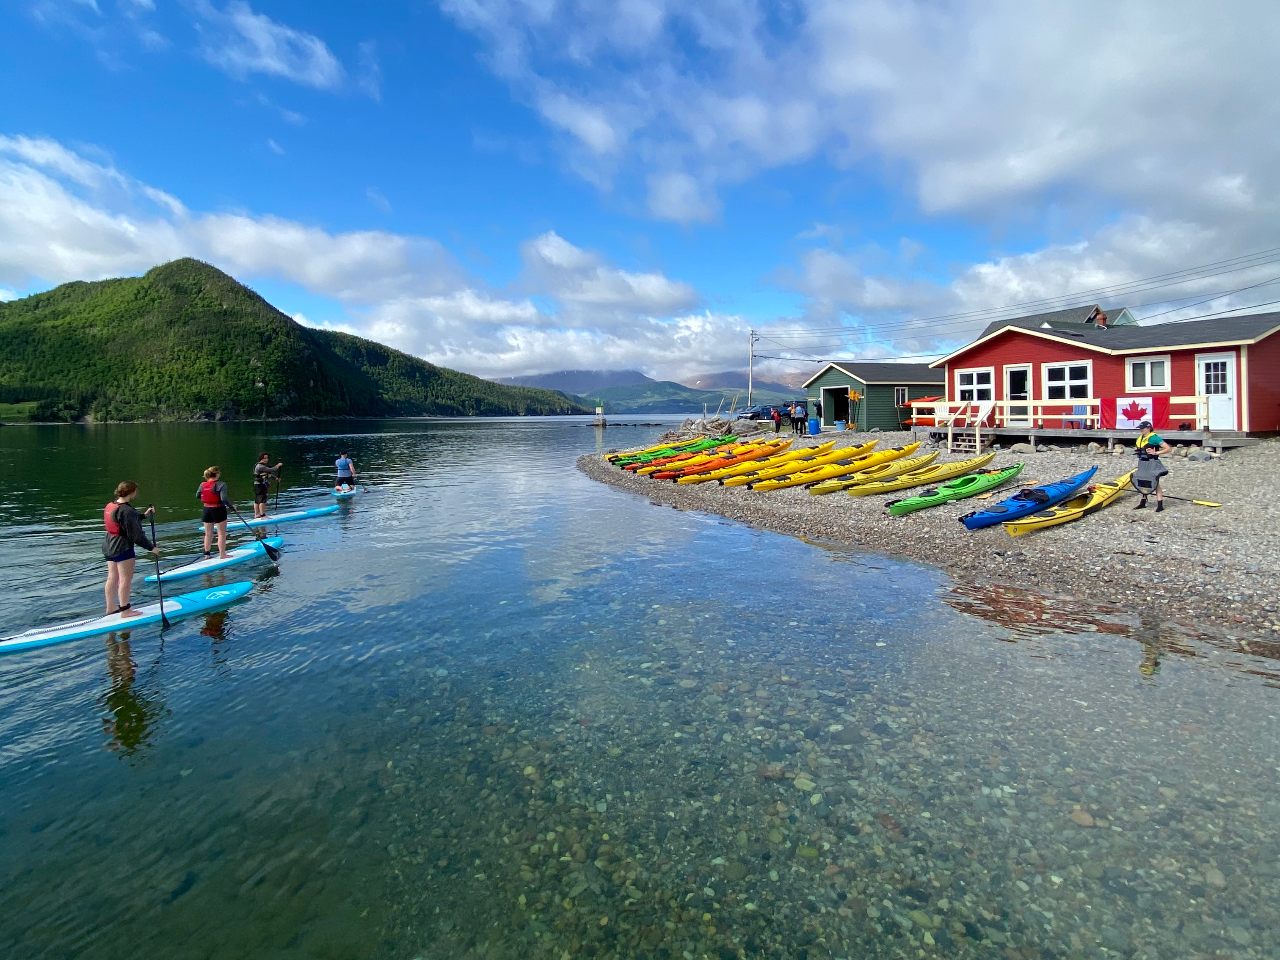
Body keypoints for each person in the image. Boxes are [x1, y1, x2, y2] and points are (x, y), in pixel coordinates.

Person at [102, 481, 158, 617]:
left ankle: (110, 607)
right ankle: (125, 610)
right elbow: (136, 535)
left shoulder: (113, 505)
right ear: (132, 492)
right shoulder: (127, 510)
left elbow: (124, 521)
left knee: (112, 577)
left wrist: (144, 515)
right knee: (125, 579)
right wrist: (151, 548)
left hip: (109, 546)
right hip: (123, 548)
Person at [1133, 420, 1171, 512]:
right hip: (1142, 462)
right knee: (1143, 481)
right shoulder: (1141, 437)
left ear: (1148, 428)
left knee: (1155, 482)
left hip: (1151, 462)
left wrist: (1156, 452)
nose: (1140, 430)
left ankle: (1160, 504)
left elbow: (1168, 448)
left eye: (1142, 428)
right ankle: (1142, 503)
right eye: (1140, 428)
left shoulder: (1154, 438)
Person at [197, 466, 232, 558]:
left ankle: (207, 554)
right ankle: (222, 554)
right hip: (218, 509)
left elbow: (198, 495)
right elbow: (223, 499)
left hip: (206, 510)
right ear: (216, 474)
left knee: (208, 533)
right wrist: (232, 507)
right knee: (221, 533)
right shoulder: (221, 484)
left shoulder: (202, 484)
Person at [252, 453, 283, 519]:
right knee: (262, 500)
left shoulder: (262, 466)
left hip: (258, 485)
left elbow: (268, 474)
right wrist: (278, 465)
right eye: (264, 458)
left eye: (267, 458)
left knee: (257, 500)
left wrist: (276, 478)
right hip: (260, 485)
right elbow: (271, 470)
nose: (266, 460)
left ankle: (257, 514)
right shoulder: (260, 466)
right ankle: (262, 515)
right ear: (261, 459)